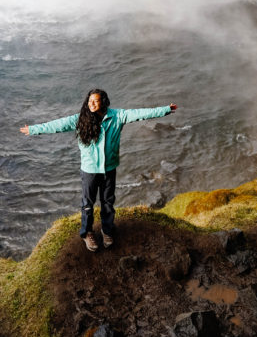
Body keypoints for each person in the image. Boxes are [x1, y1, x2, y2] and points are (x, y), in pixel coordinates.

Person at [20, 88, 177, 251]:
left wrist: (165, 110)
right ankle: (87, 233)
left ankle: (107, 230)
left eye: (95, 101)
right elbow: (56, 125)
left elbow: (140, 113)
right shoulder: (80, 119)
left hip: (109, 168)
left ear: (104, 101)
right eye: (89, 101)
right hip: (89, 170)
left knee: (108, 203)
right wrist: (33, 130)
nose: (91, 104)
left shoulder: (117, 116)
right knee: (88, 204)